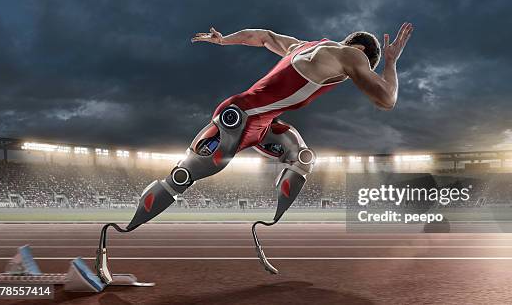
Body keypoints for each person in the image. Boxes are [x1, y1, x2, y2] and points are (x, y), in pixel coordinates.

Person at [96, 23, 414, 280]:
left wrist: (224, 41)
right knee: (184, 175)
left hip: (261, 123)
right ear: (363, 54)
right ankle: (121, 231)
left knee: (301, 156)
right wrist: (389, 63)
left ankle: (269, 222)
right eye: (363, 69)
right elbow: (386, 99)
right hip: (239, 118)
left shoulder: (302, 46)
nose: (353, 76)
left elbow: (262, 36)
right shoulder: (352, 56)